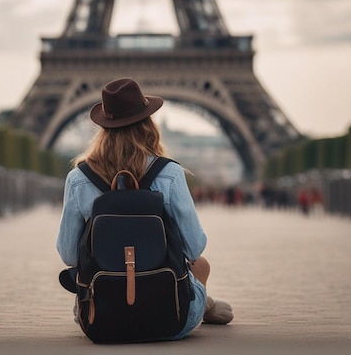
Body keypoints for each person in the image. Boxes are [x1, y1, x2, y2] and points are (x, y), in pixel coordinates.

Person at [56, 77, 233, 340]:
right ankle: (201, 302)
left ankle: (98, 302)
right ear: (148, 123)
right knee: (201, 265)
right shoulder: (170, 173)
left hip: (100, 319)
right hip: (169, 320)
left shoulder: (79, 179)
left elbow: (69, 255)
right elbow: (194, 248)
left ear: (104, 126)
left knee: (88, 286)